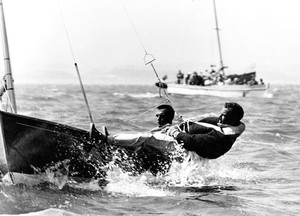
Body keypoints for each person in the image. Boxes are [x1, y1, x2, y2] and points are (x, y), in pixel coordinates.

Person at [165, 102, 245, 159]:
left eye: (223, 115)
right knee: (210, 117)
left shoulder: (221, 135)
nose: (220, 117)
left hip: (203, 150)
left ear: (233, 119)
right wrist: (182, 124)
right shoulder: (235, 124)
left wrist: (174, 132)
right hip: (205, 143)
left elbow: (190, 141)